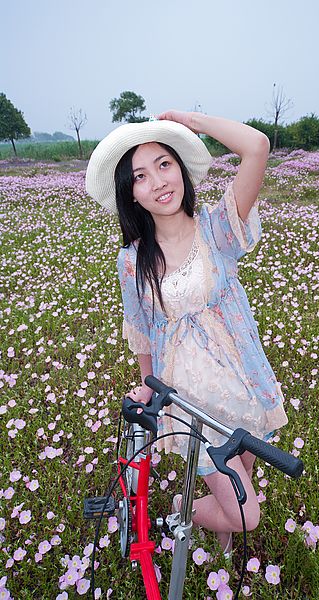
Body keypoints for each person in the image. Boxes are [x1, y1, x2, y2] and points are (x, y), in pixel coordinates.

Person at [85, 110, 288, 558]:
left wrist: (187, 121)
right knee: (245, 511)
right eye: (140, 176)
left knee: (243, 481)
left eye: (164, 163)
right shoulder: (133, 260)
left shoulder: (217, 230)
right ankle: (185, 507)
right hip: (190, 399)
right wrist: (147, 382)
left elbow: (256, 146)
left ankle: (219, 548)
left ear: (180, 168)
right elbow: (142, 330)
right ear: (131, 194)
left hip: (243, 383)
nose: (157, 181)